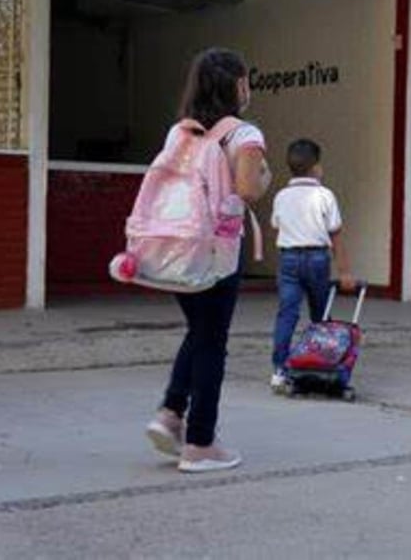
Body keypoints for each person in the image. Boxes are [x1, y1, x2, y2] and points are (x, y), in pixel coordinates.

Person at [144, 48, 269, 473]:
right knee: (213, 341)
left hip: (175, 249)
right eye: (246, 80)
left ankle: (170, 414)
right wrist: (263, 176)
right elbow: (249, 190)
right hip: (216, 254)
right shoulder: (243, 134)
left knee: (199, 331)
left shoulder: (180, 132)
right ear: (237, 85)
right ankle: (200, 443)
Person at [269, 139, 355, 392]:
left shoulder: (281, 196)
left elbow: (277, 225)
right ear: (316, 167)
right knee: (320, 315)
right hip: (317, 259)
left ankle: (279, 370)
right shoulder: (325, 195)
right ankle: (323, 363)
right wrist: (345, 271)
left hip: (288, 259)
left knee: (287, 314)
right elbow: (336, 235)